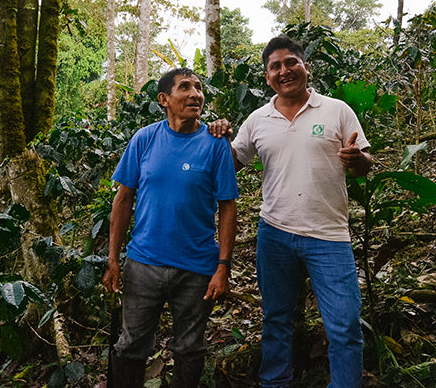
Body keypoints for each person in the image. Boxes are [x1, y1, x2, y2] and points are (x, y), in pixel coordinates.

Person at [210, 35, 372, 388]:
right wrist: (217, 135)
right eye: (275, 67)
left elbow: (364, 164)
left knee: (344, 324)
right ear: (267, 76)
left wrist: (358, 160)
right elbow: (231, 163)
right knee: (276, 319)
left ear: (305, 66)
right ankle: (275, 383)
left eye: (291, 63)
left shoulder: (337, 111)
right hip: (275, 234)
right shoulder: (258, 119)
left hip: (328, 236)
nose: (284, 71)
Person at [103, 67, 238, 388]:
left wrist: (223, 267)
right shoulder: (144, 139)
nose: (195, 94)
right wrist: (113, 260)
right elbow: (122, 201)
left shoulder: (215, 143)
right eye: (185, 87)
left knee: (190, 349)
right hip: (143, 265)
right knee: (131, 345)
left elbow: (228, 207)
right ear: (164, 99)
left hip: (196, 269)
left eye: (199, 88)